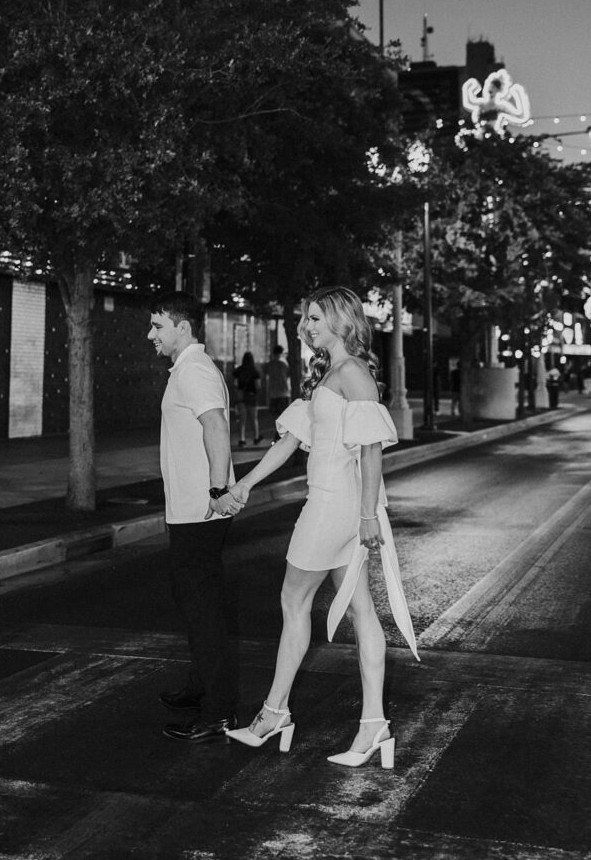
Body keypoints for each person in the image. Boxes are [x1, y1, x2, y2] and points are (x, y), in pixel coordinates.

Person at [226, 286, 416, 768]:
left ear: (341, 319)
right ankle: (372, 726)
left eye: (316, 317)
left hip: (335, 505)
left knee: (294, 600)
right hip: (334, 502)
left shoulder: (351, 372)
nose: (307, 326)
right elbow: (290, 442)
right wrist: (244, 484)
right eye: (305, 318)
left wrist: (369, 514)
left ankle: (274, 714)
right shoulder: (327, 372)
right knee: (360, 610)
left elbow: (372, 449)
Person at [148, 291, 242, 744]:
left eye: (158, 326)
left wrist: (218, 488)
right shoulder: (186, 369)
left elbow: (217, 426)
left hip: (200, 510)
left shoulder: (196, 371)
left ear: (182, 328)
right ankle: (200, 686)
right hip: (189, 508)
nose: (152, 335)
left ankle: (219, 710)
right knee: (192, 601)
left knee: (202, 609)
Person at [233, 351, 262, 446]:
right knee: (254, 419)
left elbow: (235, 384)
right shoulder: (255, 371)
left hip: (241, 396)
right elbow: (258, 385)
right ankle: (256, 438)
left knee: (242, 419)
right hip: (252, 396)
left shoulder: (238, 370)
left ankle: (242, 439)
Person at [267, 344, 291, 424]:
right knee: (284, 415)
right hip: (283, 393)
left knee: (275, 415)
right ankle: (280, 432)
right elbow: (288, 375)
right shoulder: (284, 364)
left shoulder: (270, 365)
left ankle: (277, 431)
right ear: (281, 353)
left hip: (273, 394)